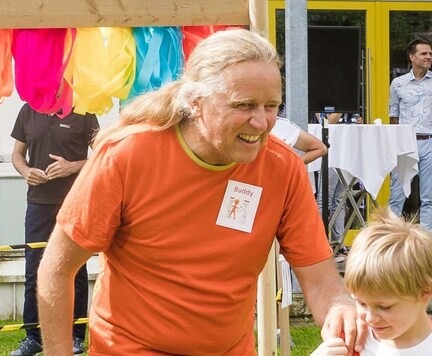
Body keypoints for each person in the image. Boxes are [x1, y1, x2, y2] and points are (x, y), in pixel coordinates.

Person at [36, 29, 361, 355]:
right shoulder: (127, 154)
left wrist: (340, 308)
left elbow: (319, 279)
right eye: (244, 105)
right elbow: (57, 267)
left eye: (271, 106)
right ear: (195, 101)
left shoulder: (282, 167)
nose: (261, 122)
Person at [312, 208, 432, 356]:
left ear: (425, 292)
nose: (370, 318)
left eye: (384, 306)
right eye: (362, 303)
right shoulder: (343, 347)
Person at [10, 103, 99, 356]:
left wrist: (71, 167)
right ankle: (33, 338)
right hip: (37, 204)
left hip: (73, 202)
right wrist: (26, 171)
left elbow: (102, 153)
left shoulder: (83, 110)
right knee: (33, 269)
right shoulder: (28, 110)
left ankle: (76, 337)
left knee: (75, 271)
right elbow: (16, 155)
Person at [388, 38, 432, 234]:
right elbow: (393, 115)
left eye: (430, 54)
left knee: (429, 196)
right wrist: (403, 136)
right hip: (406, 142)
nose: (428, 57)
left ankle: (425, 242)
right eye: (424, 53)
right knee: (397, 194)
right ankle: (391, 239)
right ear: (412, 57)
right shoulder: (398, 83)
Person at [316, 113, 363, 253]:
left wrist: (358, 121)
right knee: (325, 200)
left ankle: (339, 242)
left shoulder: (349, 110)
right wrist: (341, 110)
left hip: (346, 154)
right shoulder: (323, 105)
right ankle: (319, 241)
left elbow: (354, 125)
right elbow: (327, 121)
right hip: (330, 154)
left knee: (340, 200)